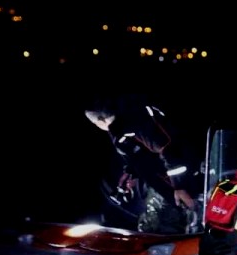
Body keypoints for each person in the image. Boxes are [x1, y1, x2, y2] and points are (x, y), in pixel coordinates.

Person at [84, 95, 198, 235]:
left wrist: (180, 186)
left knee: (158, 230)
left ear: (101, 120)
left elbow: (168, 149)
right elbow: (139, 154)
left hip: (175, 187)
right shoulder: (119, 130)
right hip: (162, 186)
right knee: (150, 228)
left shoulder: (134, 123)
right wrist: (130, 172)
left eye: (95, 124)